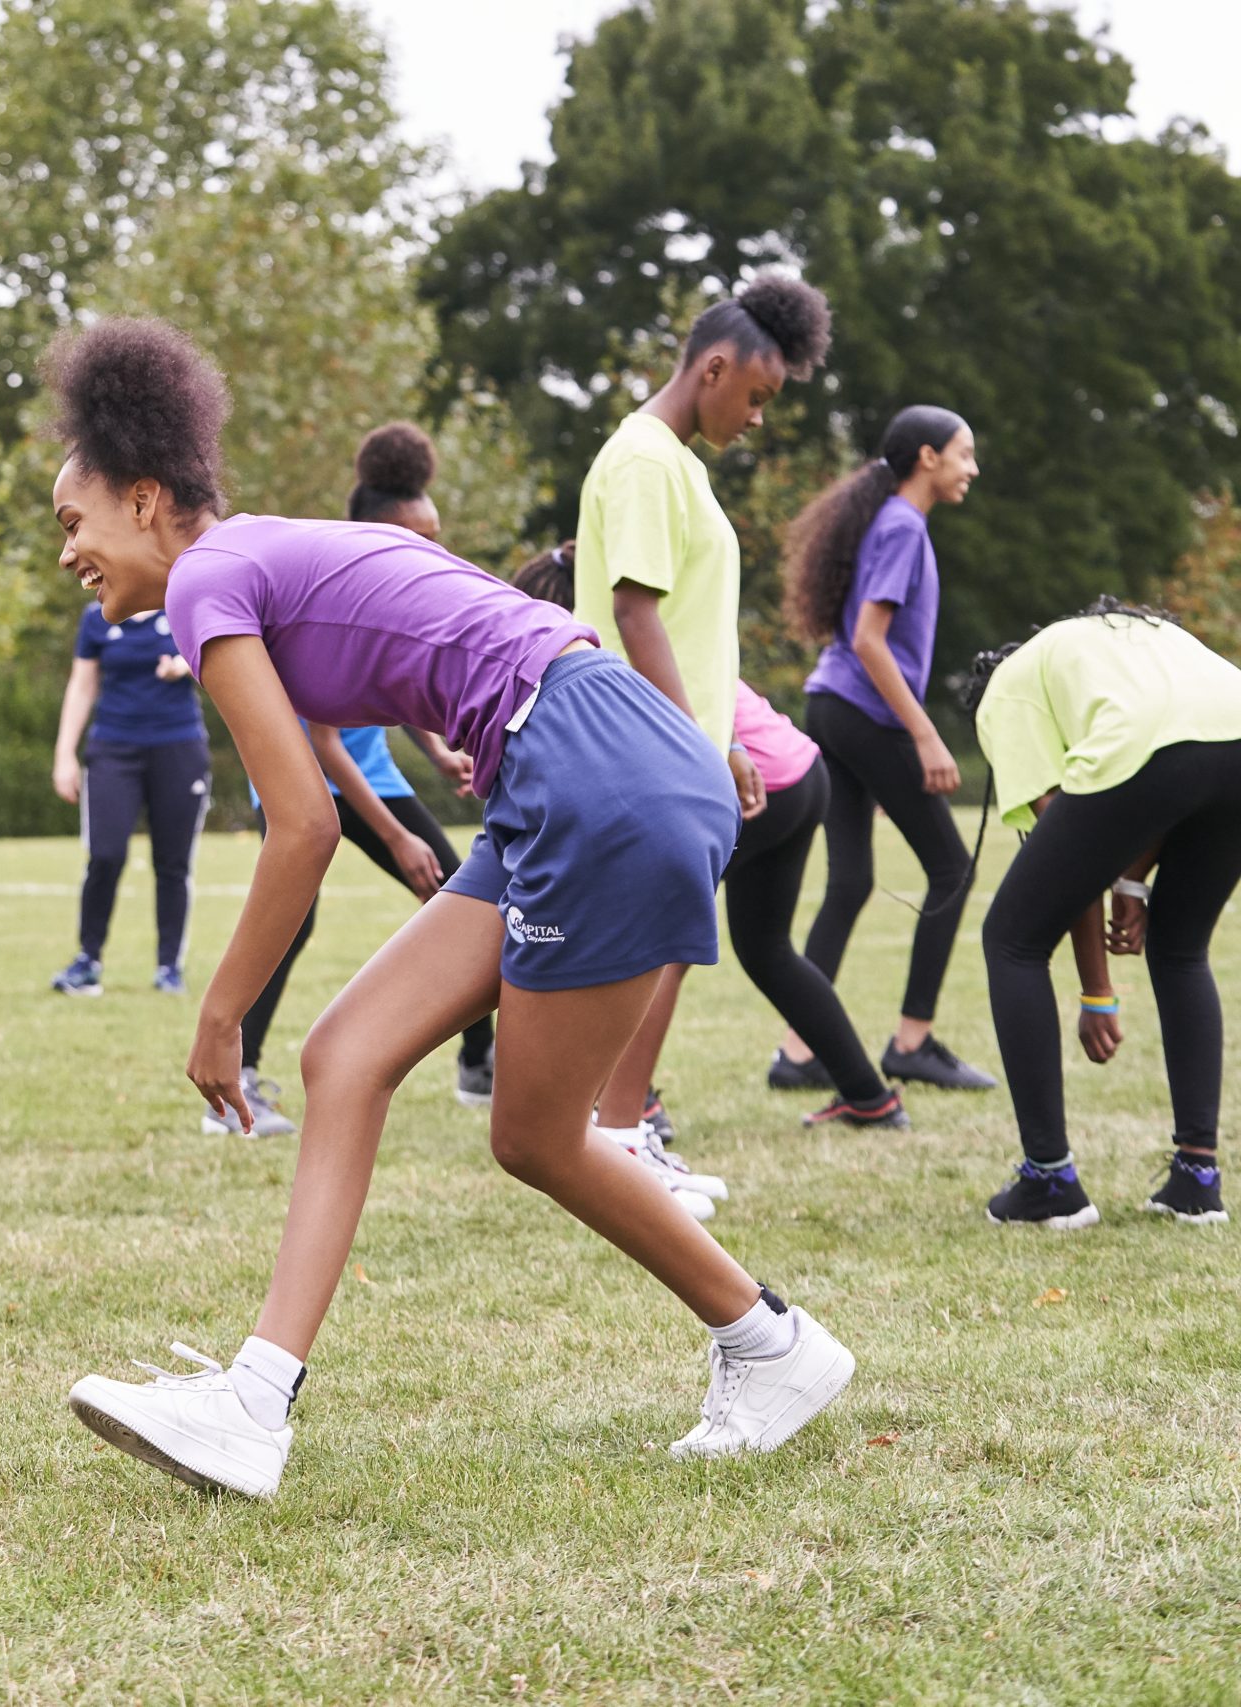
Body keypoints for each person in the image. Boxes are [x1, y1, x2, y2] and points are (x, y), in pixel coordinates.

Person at [49, 319, 854, 1500]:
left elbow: (303, 825)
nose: (68, 551)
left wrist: (220, 1015)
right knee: (345, 1054)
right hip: (582, 756)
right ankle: (252, 1402)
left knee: (531, 1134)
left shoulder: (209, 577)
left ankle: (771, 1343)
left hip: (594, 765)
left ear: (145, 497)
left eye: (73, 522)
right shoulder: (261, 553)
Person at [570, 276, 834, 1184]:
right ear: (713, 367)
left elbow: (683, 626)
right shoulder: (645, 458)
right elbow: (634, 612)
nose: (758, 417)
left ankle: (621, 1138)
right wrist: (694, 747)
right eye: (757, 396)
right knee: (657, 945)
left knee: (666, 945)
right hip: (644, 747)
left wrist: (723, 739)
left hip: (676, 745)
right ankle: (615, 1140)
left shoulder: (677, 463)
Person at [516, 554, 904, 1133]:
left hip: (747, 783)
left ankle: (634, 1104)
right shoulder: (660, 639)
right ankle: (869, 1097)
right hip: (798, 775)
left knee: (658, 944)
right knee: (768, 950)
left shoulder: (600, 654)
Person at [229, 424, 493, 1138]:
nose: (434, 550)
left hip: (370, 773)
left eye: (437, 533)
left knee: (469, 895)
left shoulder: (399, 585)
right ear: (376, 534)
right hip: (305, 779)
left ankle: (479, 1061)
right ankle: (237, 1084)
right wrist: (398, 834)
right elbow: (323, 746)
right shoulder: (331, 590)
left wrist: (437, 752)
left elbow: (395, 687)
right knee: (294, 920)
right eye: (420, 536)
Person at [964, 600, 1241, 1228]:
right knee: (1181, 947)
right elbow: (1163, 773)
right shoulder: (1128, 639)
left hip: (1151, 747)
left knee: (1011, 938)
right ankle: (1197, 1180)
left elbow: (1065, 841)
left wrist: (1098, 992)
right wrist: (1133, 886)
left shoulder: (1008, 691)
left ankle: (1049, 1180)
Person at [777, 407, 994, 1092]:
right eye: (964, 454)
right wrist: (924, 735)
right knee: (953, 870)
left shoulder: (890, 521)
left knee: (850, 881)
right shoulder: (902, 525)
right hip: (861, 711)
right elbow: (871, 639)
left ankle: (799, 1053)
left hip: (833, 708)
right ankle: (913, 1041)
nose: (973, 468)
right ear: (927, 457)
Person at [49, 557, 211, 997]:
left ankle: (168, 968)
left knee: (173, 862)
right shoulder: (96, 618)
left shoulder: (183, 608)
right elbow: (82, 687)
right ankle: (87, 962)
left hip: (178, 747)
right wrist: (65, 754)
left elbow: (221, 656)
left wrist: (186, 664)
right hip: (113, 749)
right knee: (105, 854)